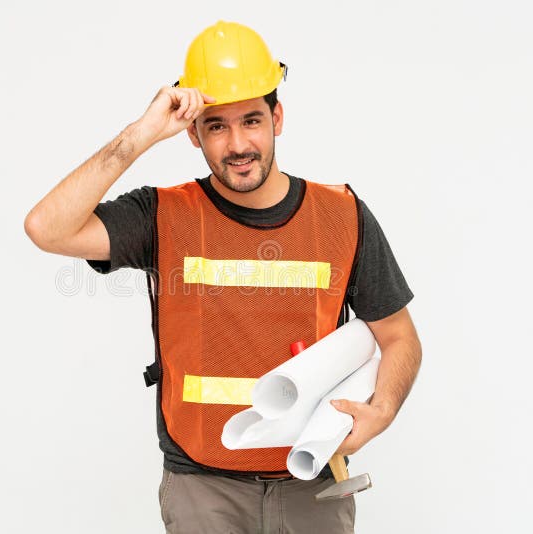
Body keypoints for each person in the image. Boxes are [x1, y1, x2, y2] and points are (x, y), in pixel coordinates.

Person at [25, 20, 422, 534]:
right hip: (202, 489)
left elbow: (399, 336)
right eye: (216, 126)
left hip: (313, 482)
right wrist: (141, 133)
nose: (238, 144)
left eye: (252, 120)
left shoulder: (342, 215)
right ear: (192, 132)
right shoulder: (160, 215)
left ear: (277, 118)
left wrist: (383, 409)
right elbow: (46, 228)